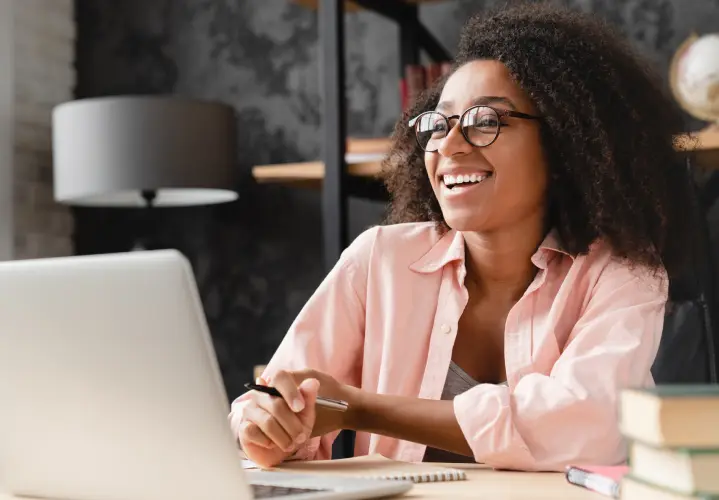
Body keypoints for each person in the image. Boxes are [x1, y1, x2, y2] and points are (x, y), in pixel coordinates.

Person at [229, 3, 693, 472]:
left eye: (486, 122)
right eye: (438, 123)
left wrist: (360, 407)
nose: (449, 145)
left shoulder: (622, 273)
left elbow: (586, 427)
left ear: (565, 144)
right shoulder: (378, 262)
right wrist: (268, 429)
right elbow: (274, 405)